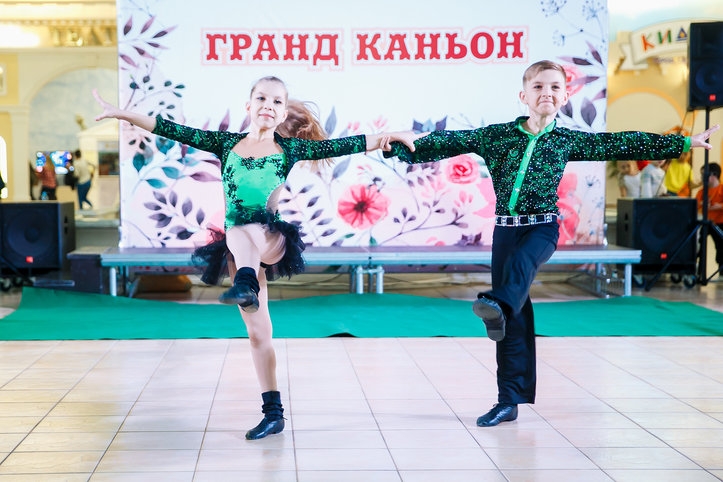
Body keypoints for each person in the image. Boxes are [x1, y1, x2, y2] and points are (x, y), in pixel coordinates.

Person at [385, 60, 720, 428]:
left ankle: (498, 304)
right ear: (523, 95)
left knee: (515, 277)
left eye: (555, 87)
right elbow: (449, 142)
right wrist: (398, 146)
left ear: (565, 96)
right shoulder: (496, 136)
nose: (547, 93)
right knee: (513, 317)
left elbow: (621, 142)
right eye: (539, 86)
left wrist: (684, 141)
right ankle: (508, 399)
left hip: (542, 228)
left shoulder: (566, 140)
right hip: (506, 231)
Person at [93, 76, 412, 440]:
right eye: (262, 98)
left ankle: (245, 283)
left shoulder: (289, 149)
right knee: (259, 334)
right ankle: (273, 414)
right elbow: (168, 128)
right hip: (239, 249)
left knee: (245, 228)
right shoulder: (226, 144)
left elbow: (350, 143)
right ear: (249, 105)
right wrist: (123, 114)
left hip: (271, 239)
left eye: (277, 101)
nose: (268, 106)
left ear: (283, 113)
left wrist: (392, 135)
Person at [696, 162, 723, 275]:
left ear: (714, 175)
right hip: (707, 222)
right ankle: (699, 270)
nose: (702, 178)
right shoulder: (702, 192)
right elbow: (695, 204)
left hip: (720, 223)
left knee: (720, 246)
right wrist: (702, 204)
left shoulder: (721, 189)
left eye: (704, 175)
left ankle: (721, 269)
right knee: (700, 243)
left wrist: (720, 206)